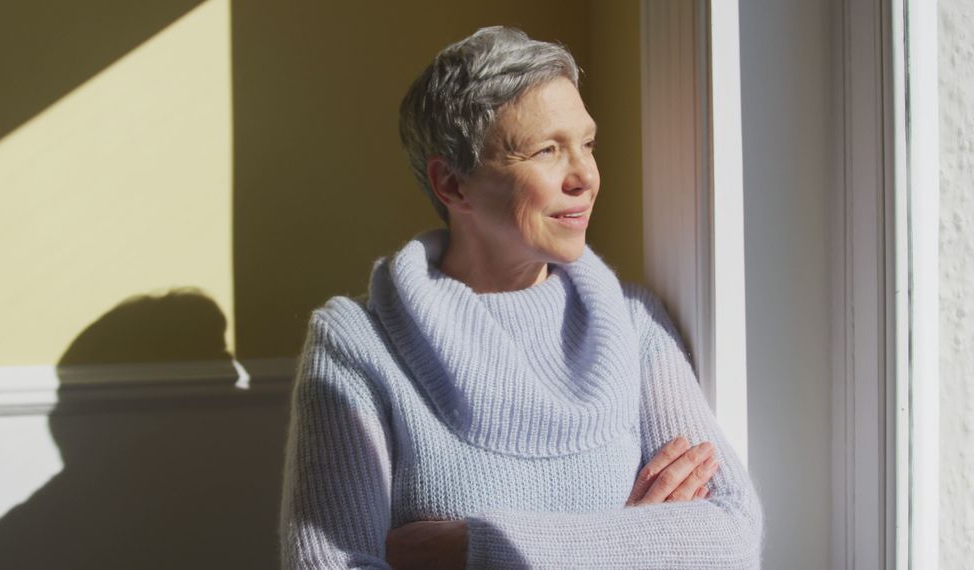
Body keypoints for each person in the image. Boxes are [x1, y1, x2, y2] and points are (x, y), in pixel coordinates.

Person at [279, 26, 763, 569]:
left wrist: (468, 549)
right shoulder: (356, 347)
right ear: (453, 184)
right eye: (547, 149)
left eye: (587, 143)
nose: (585, 175)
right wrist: (633, 540)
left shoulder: (633, 323)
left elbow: (732, 535)